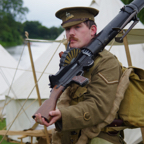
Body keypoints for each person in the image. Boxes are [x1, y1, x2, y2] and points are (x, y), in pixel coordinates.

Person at [34, 7, 125, 144]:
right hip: (68, 137)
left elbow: (98, 107)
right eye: (67, 29)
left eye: (77, 27)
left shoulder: (106, 62)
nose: (71, 33)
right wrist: (52, 110)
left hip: (97, 138)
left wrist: (63, 114)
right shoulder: (71, 60)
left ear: (93, 30)